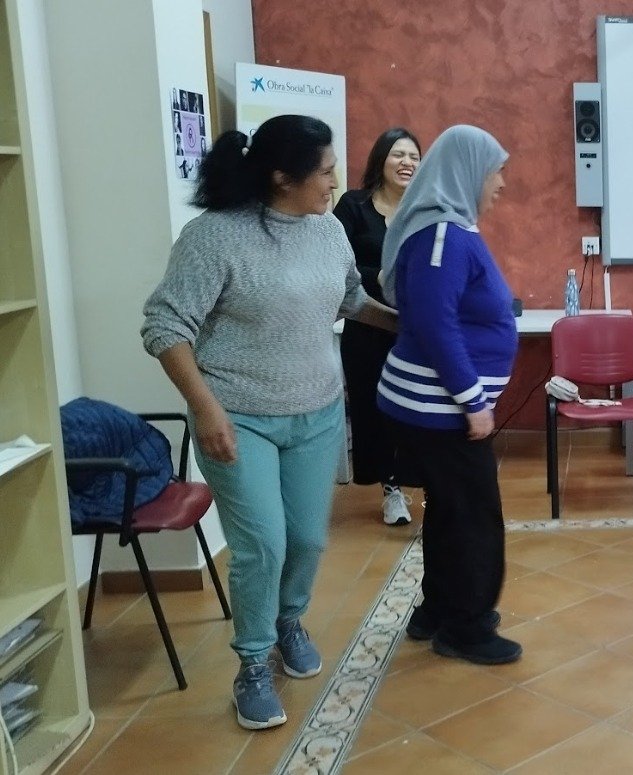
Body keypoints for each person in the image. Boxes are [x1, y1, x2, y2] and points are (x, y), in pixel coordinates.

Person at [141, 115, 397, 730]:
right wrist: (207, 411)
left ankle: (288, 621)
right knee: (263, 544)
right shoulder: (215, 237)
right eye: (327, 170)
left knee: (308, 539)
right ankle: (252, 663)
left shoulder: (327, 231)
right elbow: (164, 327)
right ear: (284, 176)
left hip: (317, 413)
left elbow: (351, 302)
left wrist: (409, 326)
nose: (336, 181)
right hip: (239, 419)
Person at [377, 124, 521, 665]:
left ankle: (438, 608)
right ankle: (466, 626)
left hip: (434, 407)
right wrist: (473, 400)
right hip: (440, 409)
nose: (501, 183)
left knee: (449, 510)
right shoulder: (442, 235)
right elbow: (437, 325)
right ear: (466, 172)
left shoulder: (445, 228)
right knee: (474, 516)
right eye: (495, 171)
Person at [333, 127, 422, 525]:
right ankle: (391, 490)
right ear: (381, 160)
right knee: (376, 410)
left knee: (414, 411)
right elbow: (338, 267)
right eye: (398, 154)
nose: (407, 163)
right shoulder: (353, 206)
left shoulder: (425, 209)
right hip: (367, 327)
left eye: (414, 156)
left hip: (415, 331)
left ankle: (421, 481)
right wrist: (386, 274)